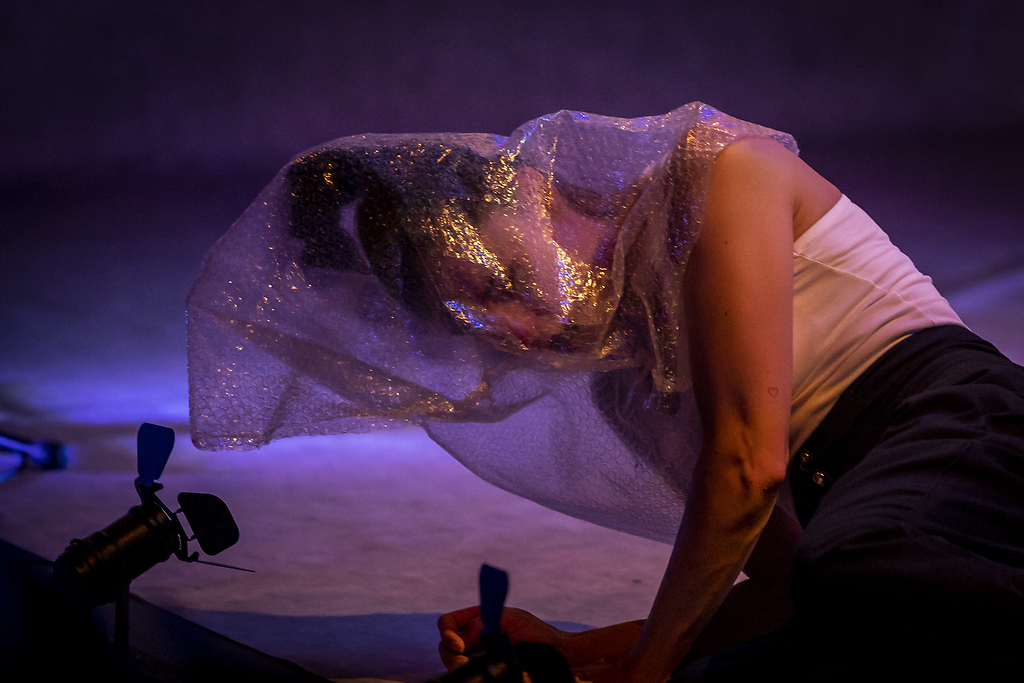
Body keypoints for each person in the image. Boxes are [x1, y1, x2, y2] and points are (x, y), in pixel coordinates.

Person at [187, 104, 1024, 680]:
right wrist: (582, 651)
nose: (515, 332)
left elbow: (749, 468)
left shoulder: (723, 178)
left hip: (966, 423)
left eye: (499, 283)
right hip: (890, 519)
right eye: (476, 324)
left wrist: (645, 671)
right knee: (790, 634)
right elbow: (781, 588)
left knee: (847, 574)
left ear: (533, 190)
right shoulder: (629, 388)